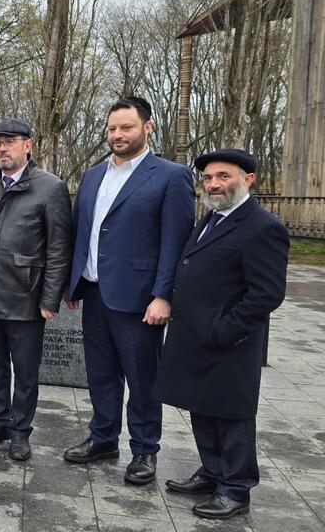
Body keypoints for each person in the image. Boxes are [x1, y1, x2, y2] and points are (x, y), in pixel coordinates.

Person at [63, 96, 195, 485]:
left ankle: (144, 449)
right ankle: (103, 438)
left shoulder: (170, 176)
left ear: (147, 127)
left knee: (142, 378)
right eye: (112, 128)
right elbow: (81, 231)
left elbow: (175, 241)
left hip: (139, 300)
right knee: (100, 373)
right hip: (94, 292)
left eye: (126, 127)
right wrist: (73, 281)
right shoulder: (92, 175)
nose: (117, 135)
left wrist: (164, 295)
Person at [154, 149, 288, 520]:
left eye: (223, 176)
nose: (213, 184)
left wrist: (225, 329)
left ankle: (236, 488)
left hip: (230, 343)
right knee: (202, 407)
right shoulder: (211, 218)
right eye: (209, 178)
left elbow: (266, 294)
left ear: (248, 179)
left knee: (231, 415)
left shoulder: (263, 227)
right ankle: (213, 471)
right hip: (196, 338)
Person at [0, 118, 71, 461]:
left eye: (9, 142)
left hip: (26, 297)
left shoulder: (50, 188)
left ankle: (20, 430)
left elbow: (59, 249)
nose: (2, 148)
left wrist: (50, 298)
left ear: (28, 145)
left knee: (26, 371)